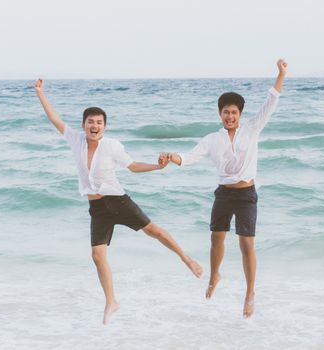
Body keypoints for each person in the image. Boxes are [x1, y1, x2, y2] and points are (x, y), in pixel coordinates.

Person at [34, 79, 202, 325]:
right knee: (97, 256)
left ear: (104, 127)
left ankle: (186, 258)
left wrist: (157, 166)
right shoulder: (76, 140)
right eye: (90, 122)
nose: (94, 126)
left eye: (99, 123)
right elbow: (55, 119)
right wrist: (41, 93)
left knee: (153, 231)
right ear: (83, 125)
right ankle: (111, 301)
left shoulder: (111, 146)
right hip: (97, 209)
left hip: (117, 201)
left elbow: (133, 166)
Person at [159, 59, 288, 318]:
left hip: (246, 194)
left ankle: (250, 293)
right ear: (220, 114)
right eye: (226, 112)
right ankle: (215, 275)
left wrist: (281, 74)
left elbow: (271, 102)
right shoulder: (212, 139)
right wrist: (174, 156)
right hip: (224, 194)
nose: (230, 116)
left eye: (234, 113)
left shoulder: (252, 129)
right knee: (216, 239)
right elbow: (191, 157)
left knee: (246, 245)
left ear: (240, 114)